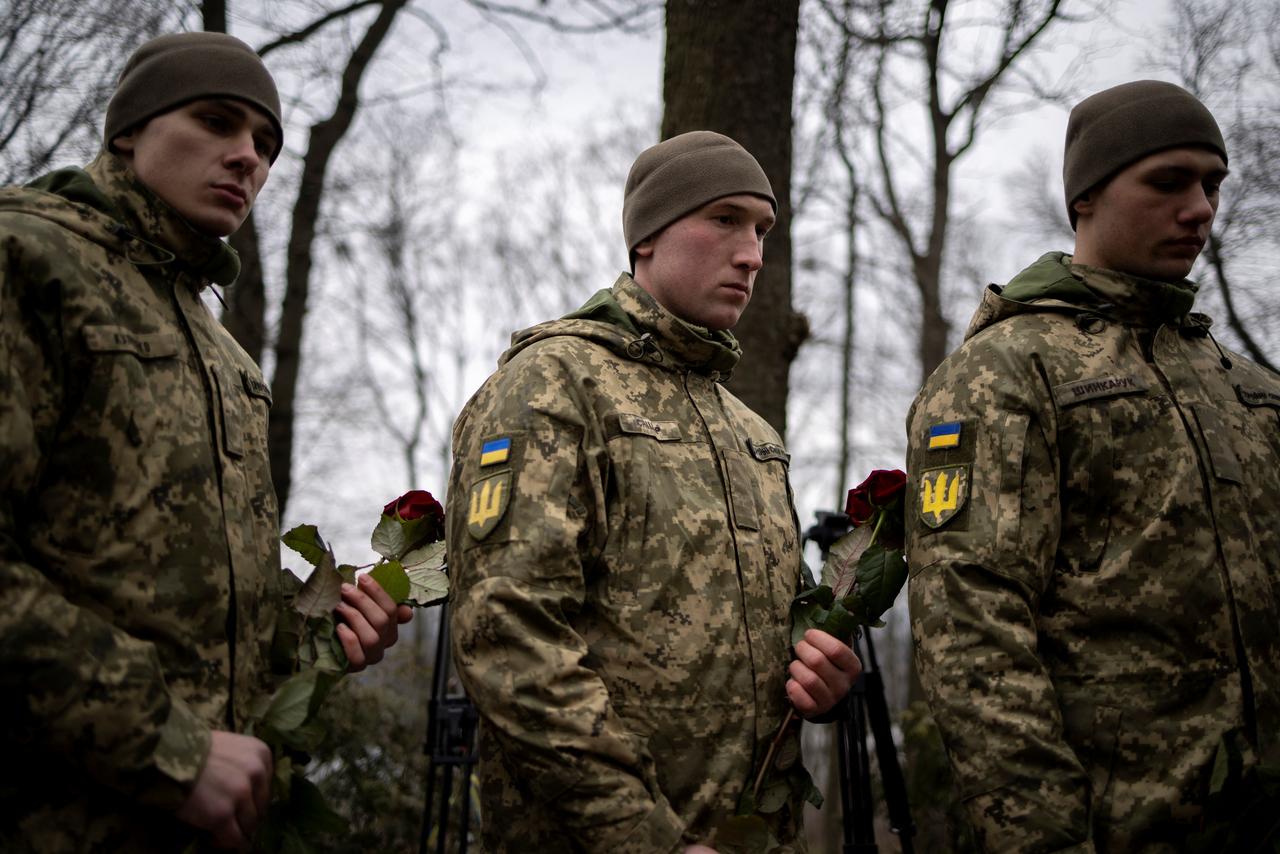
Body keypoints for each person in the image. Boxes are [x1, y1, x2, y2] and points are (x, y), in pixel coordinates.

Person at [0, 32, 410, 852]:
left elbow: (213, 620)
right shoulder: (27, 257)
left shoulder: (222, 352)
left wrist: (323, 627)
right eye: (216, 123)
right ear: (129, 130)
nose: (246, 159)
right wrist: (173, 748)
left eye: (264, 144)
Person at [446, 131, 862, 852]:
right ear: (646, 237)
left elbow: (772, 644)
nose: (753, 254)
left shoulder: (750, 432)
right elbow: (507, 635)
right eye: (725, 219)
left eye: (762, 230)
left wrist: (820, 678)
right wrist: (646, 838)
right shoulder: (556, 383)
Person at [906, 80, 1280, 851]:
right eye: (1169, 181)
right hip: (1114, 829)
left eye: (1212, 183)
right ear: (1086, 197)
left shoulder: (1251, 388)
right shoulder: (1006, 372)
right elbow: (972, 632)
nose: (1202, 207)